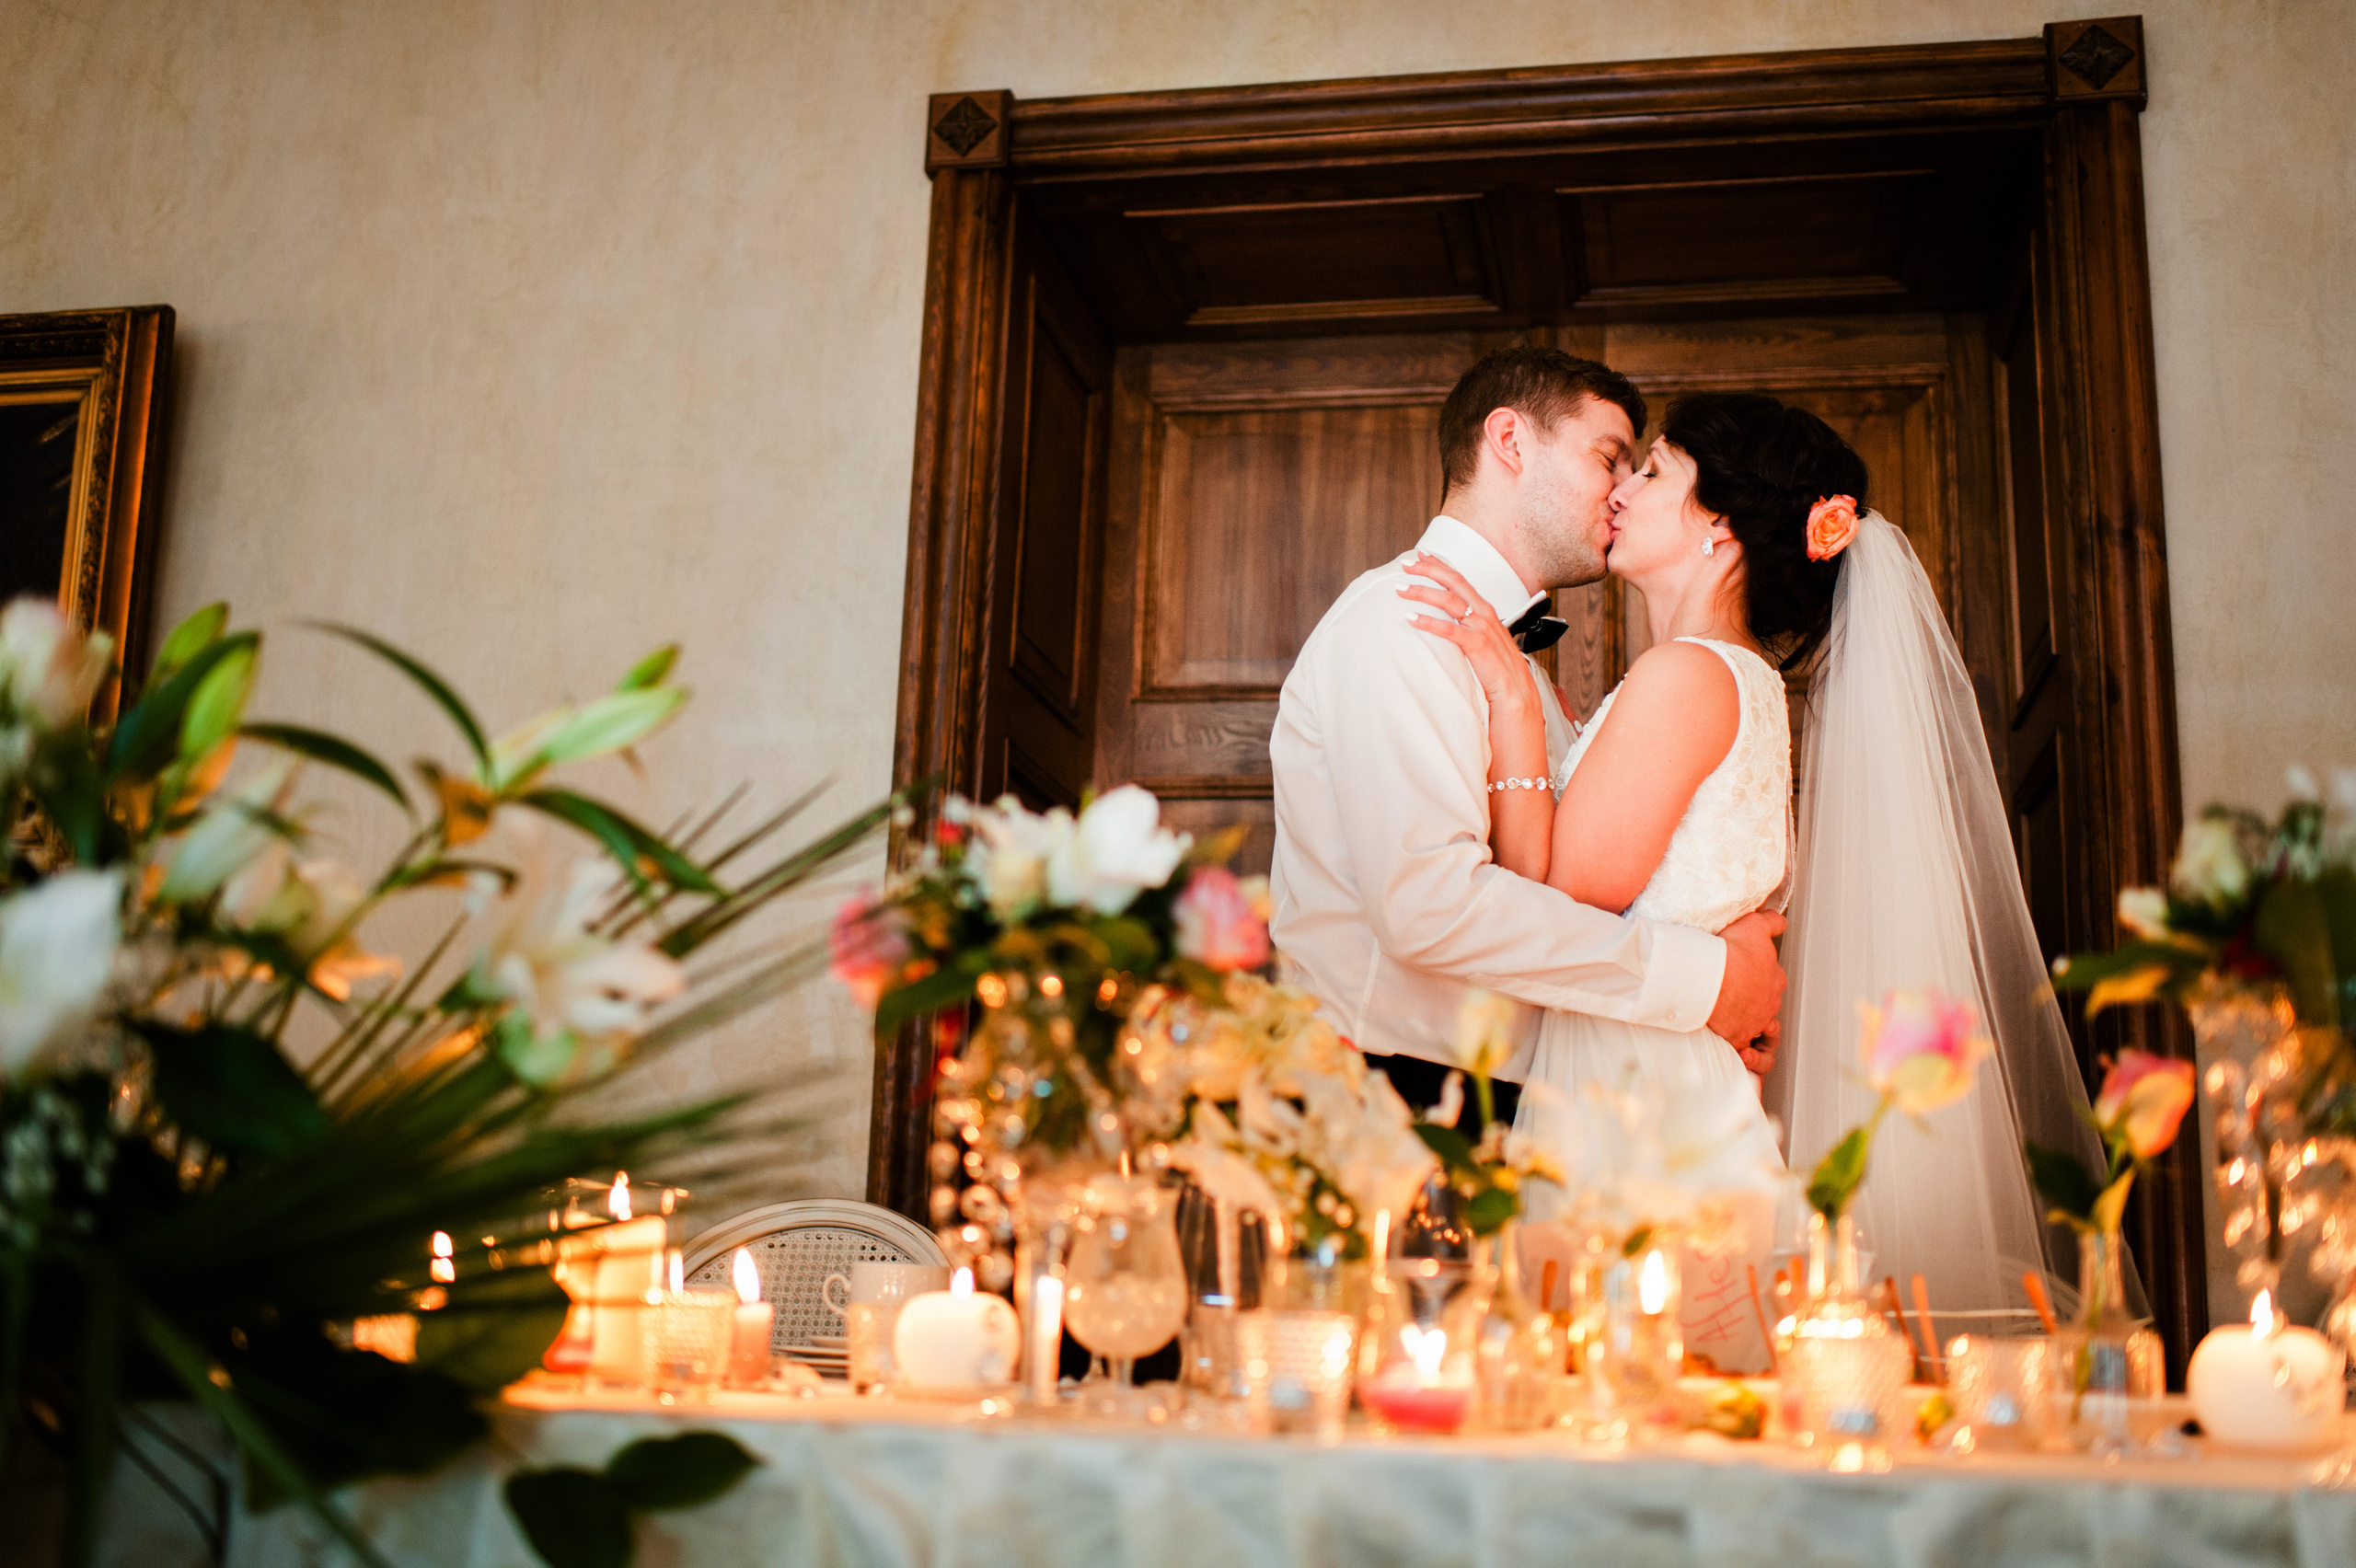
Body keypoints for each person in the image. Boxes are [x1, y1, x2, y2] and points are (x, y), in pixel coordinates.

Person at [1404, 384, 2105, 1316]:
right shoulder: (1733, 682)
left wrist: (1502, 690)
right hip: (1660, 1071)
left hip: (1638, 1102)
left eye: (1652, 471)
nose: (1620, 488)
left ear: (1719, 529)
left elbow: (1556, 889)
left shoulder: (1686, 676)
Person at [1266, 348, 1790, 1138]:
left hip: (1527, 1111)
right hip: (1393, 1107)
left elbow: (1593, 877)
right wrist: (1709, 977)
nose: (1622, 492)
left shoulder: (1523, 675)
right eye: (1609, 458)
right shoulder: (1403, 621)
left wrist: (1721, 947)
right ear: (1510, 441)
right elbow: (1431, 907)